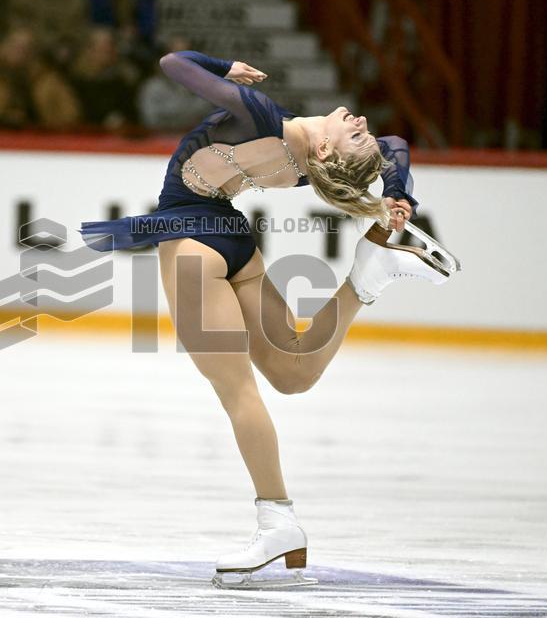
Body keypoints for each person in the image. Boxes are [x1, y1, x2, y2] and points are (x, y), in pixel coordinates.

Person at [79, 51, 458, 588]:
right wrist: (398, 193)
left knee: (240, 394)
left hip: (192, 240)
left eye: (356, 136)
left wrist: (223, 68)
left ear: (325, 149)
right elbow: (395, 148)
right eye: (360, 130)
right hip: (233, 239)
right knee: (294, 373)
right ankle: (366, 279)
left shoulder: (259, 114)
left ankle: (277, 518)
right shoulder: (311, 170)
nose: (364, 123)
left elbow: (172, 63)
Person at [0, 28, 81, 130]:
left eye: (26, 48)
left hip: (41, 142)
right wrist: (3, 115)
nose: (20, 52)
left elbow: (70, 115)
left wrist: (42, 115)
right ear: (4, 46)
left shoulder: (46, 78)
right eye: (15, 46)